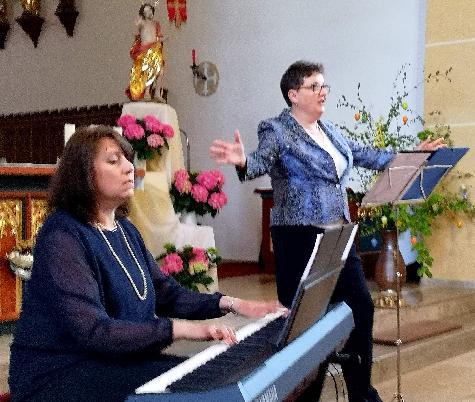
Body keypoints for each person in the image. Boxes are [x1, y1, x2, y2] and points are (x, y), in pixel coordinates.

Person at [209, 60, 445, 402]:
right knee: (304, 323)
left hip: (337, 234)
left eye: (324, 86)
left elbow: (366, 155)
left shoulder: (329, 130)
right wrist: (244, 161)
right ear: (293, 94)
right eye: (315, 86)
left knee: (361, 307)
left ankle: (361, 393)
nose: (323, 92)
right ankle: (302, 394)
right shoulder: (276, 129)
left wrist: (412, 155)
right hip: (299, 238)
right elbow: (260, 161)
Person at [8, 125, 282, 402]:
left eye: (128, 158)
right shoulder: (62, 234)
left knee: (214, 380)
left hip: (116, 362)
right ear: (82, 174)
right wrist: (186, 330)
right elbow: (95, 331)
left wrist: (231, 303)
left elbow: (164, 292)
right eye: (114, 161)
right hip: (60, 374)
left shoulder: (124, 229)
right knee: (200, 390)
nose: (130, 167)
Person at [126, 2, 165, 101]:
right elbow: (135, 32)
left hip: (155, 49)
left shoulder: (156, 24)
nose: (149, 12)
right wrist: (137, 24)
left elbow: (158, 37)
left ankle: (157, 93)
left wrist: (162, 40)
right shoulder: (142, 23)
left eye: (150, 10)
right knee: (149, 70)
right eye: (146, 11)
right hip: (145, 50)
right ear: (143, 14)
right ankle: (147, 92)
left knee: (160, 71)